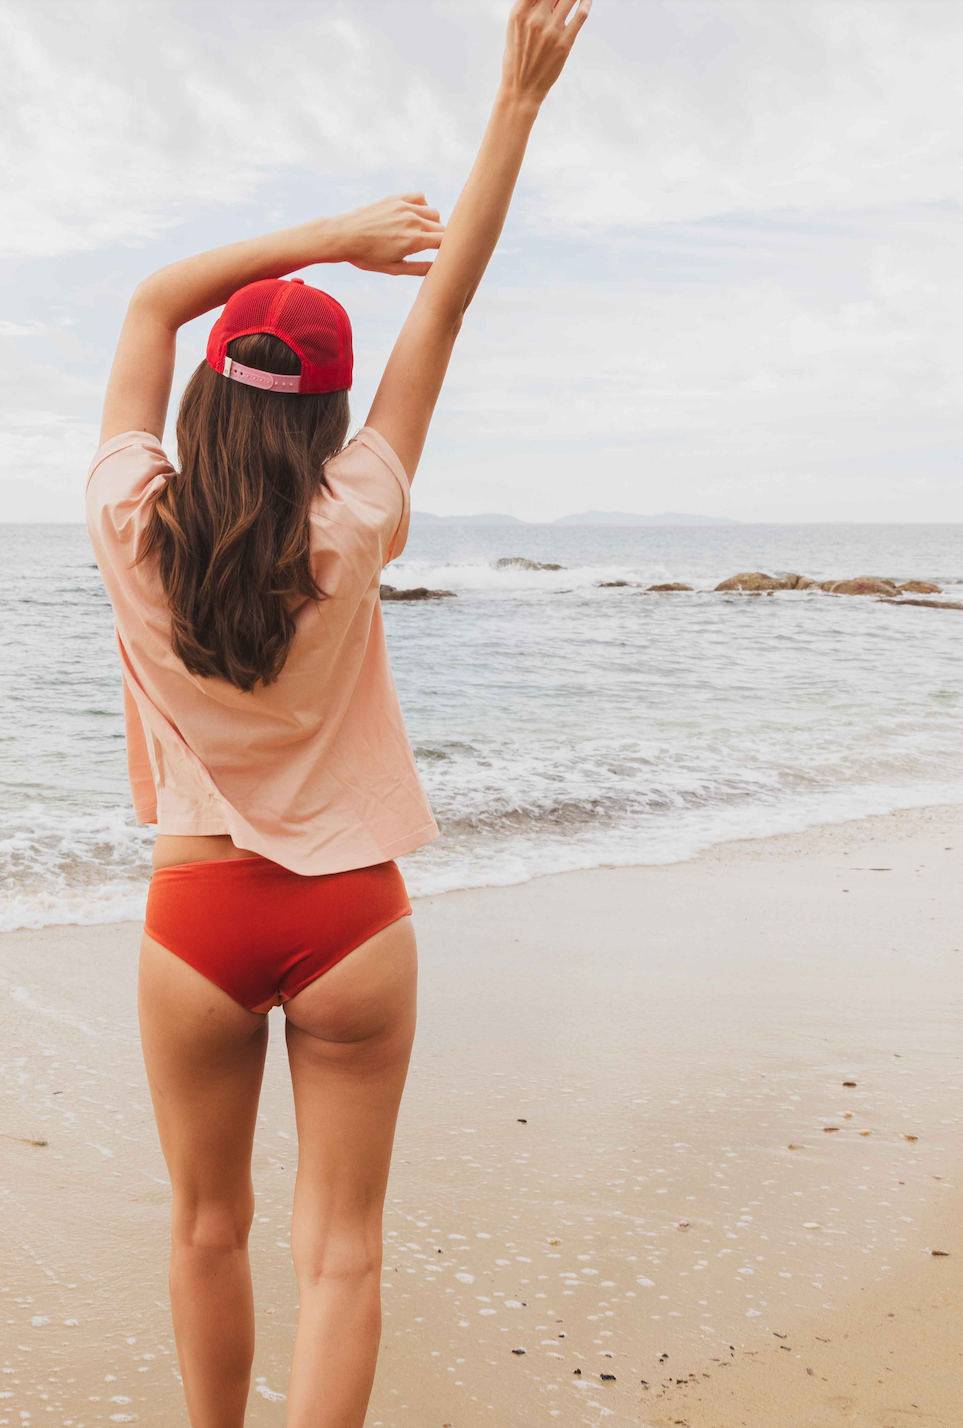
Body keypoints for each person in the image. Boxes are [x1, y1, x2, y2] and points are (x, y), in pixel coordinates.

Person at [84, 3, 592, 1424]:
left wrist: (322, 238)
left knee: (207, 1228)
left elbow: (149, 302)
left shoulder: (127, 517)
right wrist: (516, 105)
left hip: (196, 919)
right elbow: (451, 303)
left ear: (205, 393)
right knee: (344, 1254)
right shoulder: (358, 511)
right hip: (354, 920)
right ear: (326, 414)